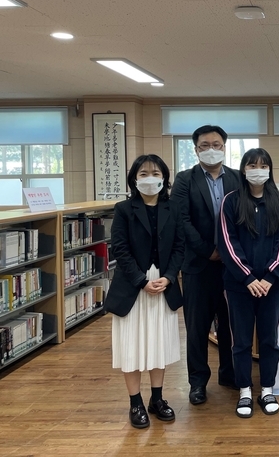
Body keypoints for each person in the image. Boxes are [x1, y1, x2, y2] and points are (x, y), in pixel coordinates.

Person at [104, 154, 184, 429]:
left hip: (163, 284)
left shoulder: (173, 208)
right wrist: (141, 281)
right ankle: (135, 402)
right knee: (133, 345)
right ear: (134, 179)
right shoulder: (124, 209)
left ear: (164, 178)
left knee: (159, 343)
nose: (150, 178)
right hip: (133, 286)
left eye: (156, 173)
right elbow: (120, 249)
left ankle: (157, 399)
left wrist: (169, 277)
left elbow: (179, 247)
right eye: (143, 174)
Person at [218, 148, 279, 418]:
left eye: (263, 166)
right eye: (252, 166)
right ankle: (244, 390)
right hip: (239, 285)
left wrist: (270, 277)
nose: (258, 171)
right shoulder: (230, 201)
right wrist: (248, 277)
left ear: (270, 170)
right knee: (240, 341)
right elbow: (227, 243)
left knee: (269, 339)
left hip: (271, 286)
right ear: (243, 169)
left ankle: (267, 389)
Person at [171, 125, 240, 405]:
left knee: (230, 324)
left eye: (216, 144)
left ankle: (229, 373)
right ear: (196, 149)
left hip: (231, 266)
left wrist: (228, 251)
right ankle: (198, 382)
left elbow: (243, 217)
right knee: (197, 327)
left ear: (224, 147)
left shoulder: (237, 178)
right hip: (197, 265)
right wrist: (208, 250)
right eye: (205, 145)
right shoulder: (184, 179)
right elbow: (181, 219)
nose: (211, 150)